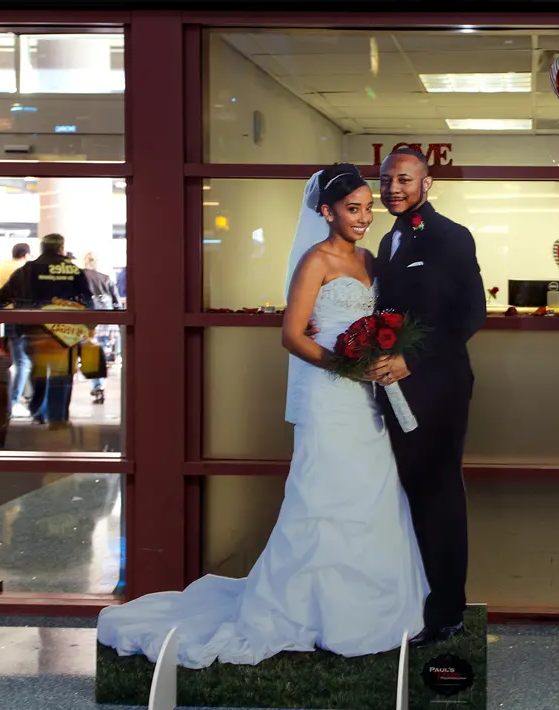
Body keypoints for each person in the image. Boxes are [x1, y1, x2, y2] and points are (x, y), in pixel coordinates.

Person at [97, 164, 426, 668]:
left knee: (372, 490)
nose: (364, 218)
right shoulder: (314, 261)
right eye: (352, 209)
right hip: (329, 393)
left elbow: (380, 318)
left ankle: (365, 610)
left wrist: (382, 350)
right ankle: (308, 609)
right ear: (326, 211)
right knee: (323, 493)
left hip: (365, 401)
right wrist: (347, 365)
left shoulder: (369, 259)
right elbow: (292, 335)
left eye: (367, 208)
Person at [366, 147, 487, 645]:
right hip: (393, 390)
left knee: (438, 494)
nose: (394, 188)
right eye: (387, 179)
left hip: (436, 388)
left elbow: (470, 315)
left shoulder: (450, 236)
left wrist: (411, 360)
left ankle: (445, 613)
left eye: (405, 179)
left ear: (427, 183)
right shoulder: (387, 238)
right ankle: (414, 600)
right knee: (409, 493)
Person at [0, 234, 92, 430]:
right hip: (66, 332)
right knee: (62, 374)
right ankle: (58, 418)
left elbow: (1, 298)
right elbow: (87, 300)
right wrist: (87, 327)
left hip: (34, 329)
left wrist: (15, 313)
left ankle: (38, 411)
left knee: (39, 371)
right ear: (61, 248)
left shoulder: (28, 270)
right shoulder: (72, 271)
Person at [0, 243, 34, 415]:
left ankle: (6, 398)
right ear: (26, 255)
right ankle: (13, 402)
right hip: (19, 319)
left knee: (7, 361)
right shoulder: (26, 270)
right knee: (24, 362)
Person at [82, 252, 121, 405]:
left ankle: (98, 385)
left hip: (87, 323)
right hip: (107, 323)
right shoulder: (106, 279)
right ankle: (100, 385)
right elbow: (116, 302)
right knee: (102, 354)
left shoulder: (79, 279)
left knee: (91, 355)